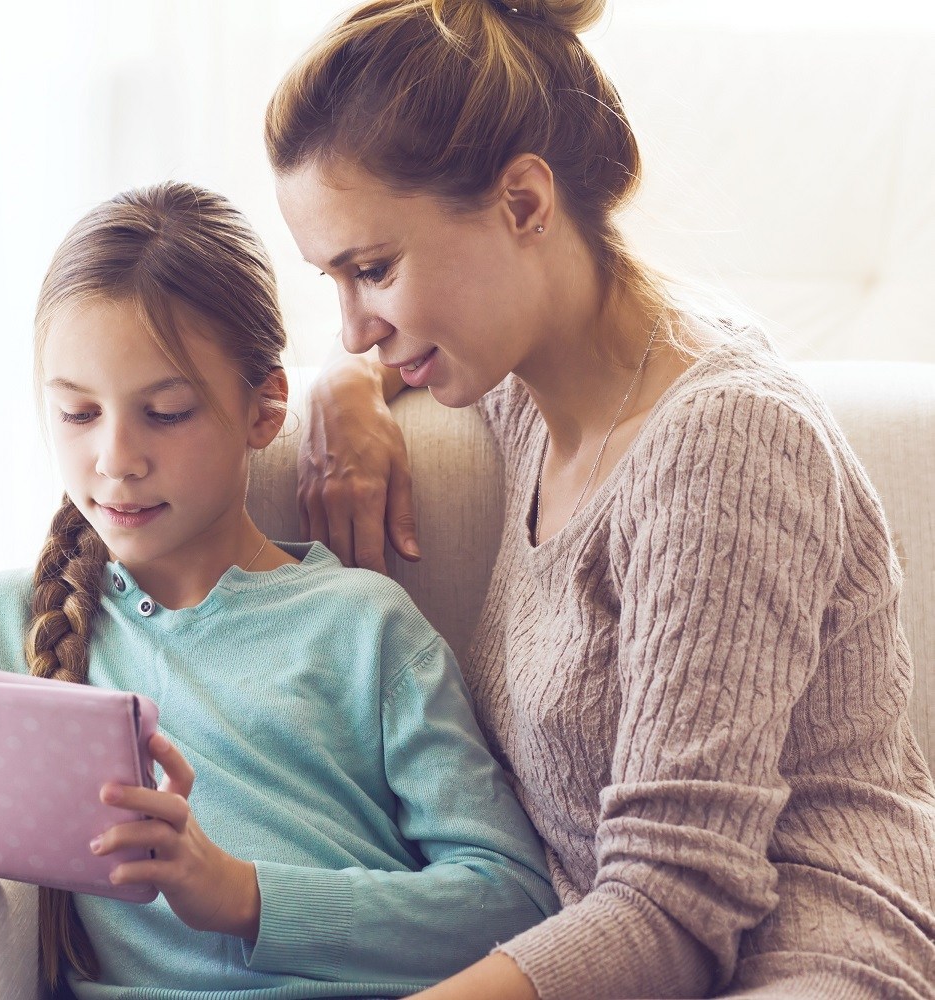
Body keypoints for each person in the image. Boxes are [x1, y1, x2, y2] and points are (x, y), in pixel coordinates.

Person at [0, 181, 560, 999]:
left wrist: (241, 895)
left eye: (166, 412)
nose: (116, 460)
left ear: (264, 410)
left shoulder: (365, 629)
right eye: (78, 413)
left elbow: (512, 904)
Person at [264, 1, 935, 999]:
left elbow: (672, 909)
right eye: (334, 278)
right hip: (602, 943)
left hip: (801, 957)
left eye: (372, 270)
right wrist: (340, 386)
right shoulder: (532, 376)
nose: (356, 324)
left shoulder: (725, 443)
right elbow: (370, 330)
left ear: (525, 204)